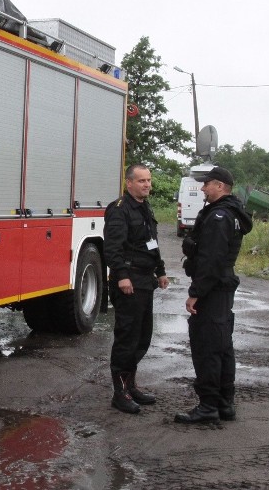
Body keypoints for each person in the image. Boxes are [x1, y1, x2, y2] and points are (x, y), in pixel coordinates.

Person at [175, 166, 252, 424]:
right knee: (222, 346)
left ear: (220, 186)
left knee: (208, 346)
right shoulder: (230, 212)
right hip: (221, 288)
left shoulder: (220, 215)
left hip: (213, 290)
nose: (203, 188)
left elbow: (212, 259)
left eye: (207, 183)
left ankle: (208, 406)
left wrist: (195, 292)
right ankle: (224, 403)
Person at [104, 164, 169, 414]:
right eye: (141, 181)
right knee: (127, 338)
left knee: (142, 337)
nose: (147, 185)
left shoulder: (144, 207)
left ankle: (131, 385)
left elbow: (151, 244)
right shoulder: (119, 210)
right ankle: (119, 393)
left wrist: (160, 270)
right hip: (128, 281)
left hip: (145, 281)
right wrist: (121, 276)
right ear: (128, 183)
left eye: (149, 180)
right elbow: (112, 247)